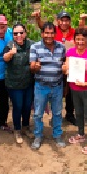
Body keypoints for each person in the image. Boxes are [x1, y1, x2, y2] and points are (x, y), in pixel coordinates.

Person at [33, 10, 77, 124]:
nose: (64, 23)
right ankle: (55, 116)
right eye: (62, 20)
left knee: (70, 92)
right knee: (59, 93)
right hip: (56, 65)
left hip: (70, 65)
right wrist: (38, 18)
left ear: (70, 22)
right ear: (58, 21)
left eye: (67, 20)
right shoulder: (54, 30)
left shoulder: (73, 31)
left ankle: (69, 114)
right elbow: (43, 27)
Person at [29, 22, 67, 150]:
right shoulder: (35, 47)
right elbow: (32, 67)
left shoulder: (61, 47)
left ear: (55, 34)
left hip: (57, 85)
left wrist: (65, 67)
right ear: (42, 33)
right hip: (41, 86)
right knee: (38, 113)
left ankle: (57, 135)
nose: (49, 36)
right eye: (46, 33)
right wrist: (35, 67)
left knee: (57, 112)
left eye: (51, 33)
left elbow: (65, 63)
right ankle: (38, 136)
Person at [65, 27, 87, 154]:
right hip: (75, 88)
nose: (80, 42)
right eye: (78, 39)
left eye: (83, 39)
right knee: (78, 113)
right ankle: (81, 134)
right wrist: (65, 69)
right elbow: (66, 68)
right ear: (74, 40)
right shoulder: (70, 52)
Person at [3, 22, 34, 144]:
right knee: (18, 107)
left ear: (25, 33)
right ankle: (17, 129)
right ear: (13, 35)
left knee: (27, 106)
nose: (19, 35)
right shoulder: (10, 45)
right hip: (14, 84)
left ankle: (26, 127)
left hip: (28, 82)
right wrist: (11, 53)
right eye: (16, 33)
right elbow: (5, 57)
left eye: (21, 32)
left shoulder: (31, 45)